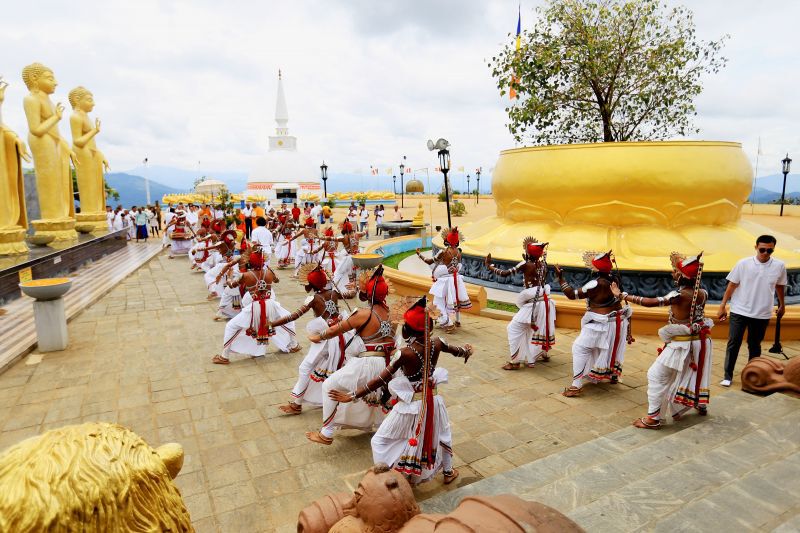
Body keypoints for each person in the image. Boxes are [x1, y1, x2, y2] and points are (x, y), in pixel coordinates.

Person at [329, 296, 473, 484]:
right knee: (442, 434)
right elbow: (458, 351)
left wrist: (354, 395)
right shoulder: (438, 342)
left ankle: (386, 482)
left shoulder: (405, 353)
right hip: (434, 401)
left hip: (410, 406)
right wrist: (467, 351)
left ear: (408, 330)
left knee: (379, 441)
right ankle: (448, 471)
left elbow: (380, 379)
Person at [613, 252, 712, 428]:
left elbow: (650, 302)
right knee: (688, 374)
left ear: (682, 276)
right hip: (700, 341)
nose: (673, 274)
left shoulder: (679, 295)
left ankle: (654, 419)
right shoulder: (703, 293)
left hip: (682, 344)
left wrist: (622, 295)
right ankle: (699, 403)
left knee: (656, 375)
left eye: (675, 271)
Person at [306, 266, 396, 445]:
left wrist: (318, 336)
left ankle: (326, 433)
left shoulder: (363, 314)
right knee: (377, 394)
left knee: (329, 385)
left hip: (368, 362)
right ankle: (381, 428)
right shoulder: (392, 315)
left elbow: (335, 330)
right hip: (388, 364)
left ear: (368, 294)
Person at [277, 263, 356, 415]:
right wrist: (356, 287)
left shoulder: (313, 299)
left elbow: (294, 316)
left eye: (307, 283)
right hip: (341, 333)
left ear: (311, 284)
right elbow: (351, 295)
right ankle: (325, 398)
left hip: (327, 338)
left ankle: (297, 404)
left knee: (305, 367)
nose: (305, 286)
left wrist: (272, 324)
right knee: (329, 366)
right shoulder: (334, 292)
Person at [556, 251, 632, 397]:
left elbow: (571, 294)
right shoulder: (615, 280)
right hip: (618, 322)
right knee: (609, 348)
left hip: (601, 324)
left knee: (579, 348)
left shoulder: (595, 283)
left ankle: (576, 385)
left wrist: (560, 279)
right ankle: (613, 375)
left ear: (596, 268)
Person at [717, 235, 787, 387]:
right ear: (756, 247)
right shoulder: (743, 263)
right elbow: (732, 285)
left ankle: (751, 376)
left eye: (769, 250)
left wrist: (782, 305)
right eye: (762, 250)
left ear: (773, 249)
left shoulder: (779, 266)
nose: (765, 253)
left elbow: (780, 286)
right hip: (739, 310)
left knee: (755, 345)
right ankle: (727, 376)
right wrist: (722, 305)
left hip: (762, 312)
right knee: (733, 343)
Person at [212, 248, 300, 364]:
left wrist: (228, 277)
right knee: (287, 319)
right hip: (271, 304)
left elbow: (232, 285)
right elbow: (277, 280)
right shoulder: (269, 272)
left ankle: (224, 356)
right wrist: (270, 273)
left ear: (250, 262)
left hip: (255, 307)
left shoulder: (245, 275)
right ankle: (294, 345)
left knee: (231, 326)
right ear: (263, 262)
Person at [484, 238, 555, 370]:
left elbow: (504, 273)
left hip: (533, 304)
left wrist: (489, 266)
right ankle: (541, 352)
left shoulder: (525, 264)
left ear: (528, 253)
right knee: (532, 328)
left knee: (513, 328)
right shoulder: (543, 264)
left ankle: (515, 362)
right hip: (543, 302)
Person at [416, 228, 472, 332]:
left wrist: (419, 254)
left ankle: (448, 323)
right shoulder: (459, 252)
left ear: (447, 240)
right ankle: (457, 321)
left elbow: (429, 261)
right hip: (456, 279)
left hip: (445, 281)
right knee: (454, 300)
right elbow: (458, 266)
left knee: (438, 302)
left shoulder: (443, 252)